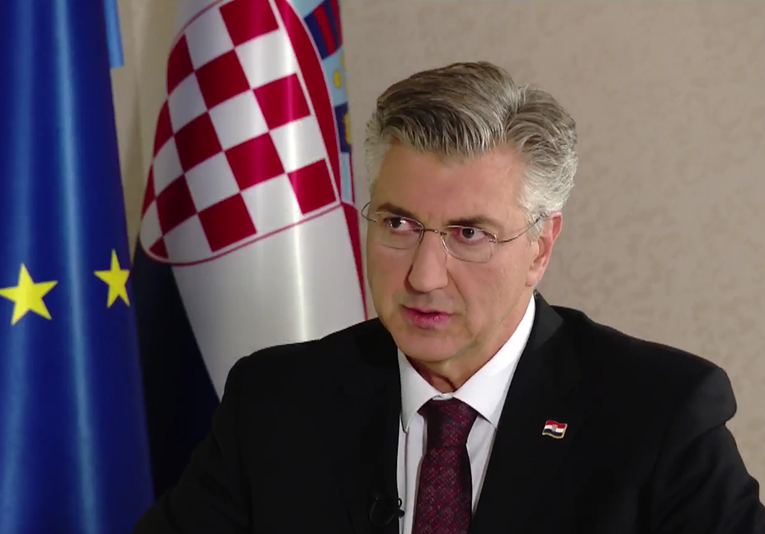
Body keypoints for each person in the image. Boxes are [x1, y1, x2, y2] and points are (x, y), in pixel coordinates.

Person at [134, 61, 765, 534]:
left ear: (540, 247)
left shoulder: (659, 414)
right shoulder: (275, 402)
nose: (425, 276)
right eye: (398, 224)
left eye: (469, 234)